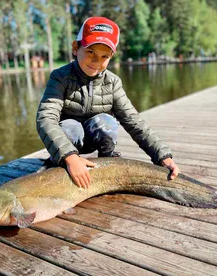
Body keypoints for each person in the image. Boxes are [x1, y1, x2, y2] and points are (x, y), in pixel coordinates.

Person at [36, 17, 180, 188]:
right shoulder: (60, 77)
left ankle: (107, 159)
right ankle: (63, 161)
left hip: (96, 135)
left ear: (111, 56)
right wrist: (70, 156)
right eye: (91, 52)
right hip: (70, 142)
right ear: (76, 48)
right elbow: (46, 118)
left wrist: (163, 156)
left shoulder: (113, 83)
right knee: (69, 128)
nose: (97, 61)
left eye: (104, 56)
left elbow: (133, 121)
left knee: (106, 122)